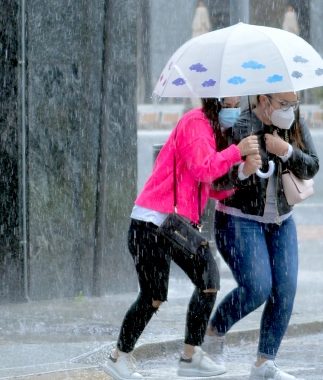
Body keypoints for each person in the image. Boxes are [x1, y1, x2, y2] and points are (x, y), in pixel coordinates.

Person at [103, 97, 258, 379]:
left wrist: (243, 172)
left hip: (172, 224)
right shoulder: (195, 123)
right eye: (234, 98)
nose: (238, 104)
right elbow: (204, 168)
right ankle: (119, 357)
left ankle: (190, 357)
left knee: (207, 280)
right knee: (154, 296)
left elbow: (210, 187)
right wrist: (237, 152)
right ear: (219, 98)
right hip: (151, 223)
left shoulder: (212, 129)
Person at [203, 92, 319, 380]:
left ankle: (264, 363)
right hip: (239, 220)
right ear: (263, 100)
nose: (289, 109)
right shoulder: (240, 127)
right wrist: (243, 170)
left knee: (285, 288)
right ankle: (214, 332)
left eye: (294, 103)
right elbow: (217, 178)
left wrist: (286, 151)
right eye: (283, 103)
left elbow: (313, 165)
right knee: (257, 287)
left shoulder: (295, 125)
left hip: (282, 221)